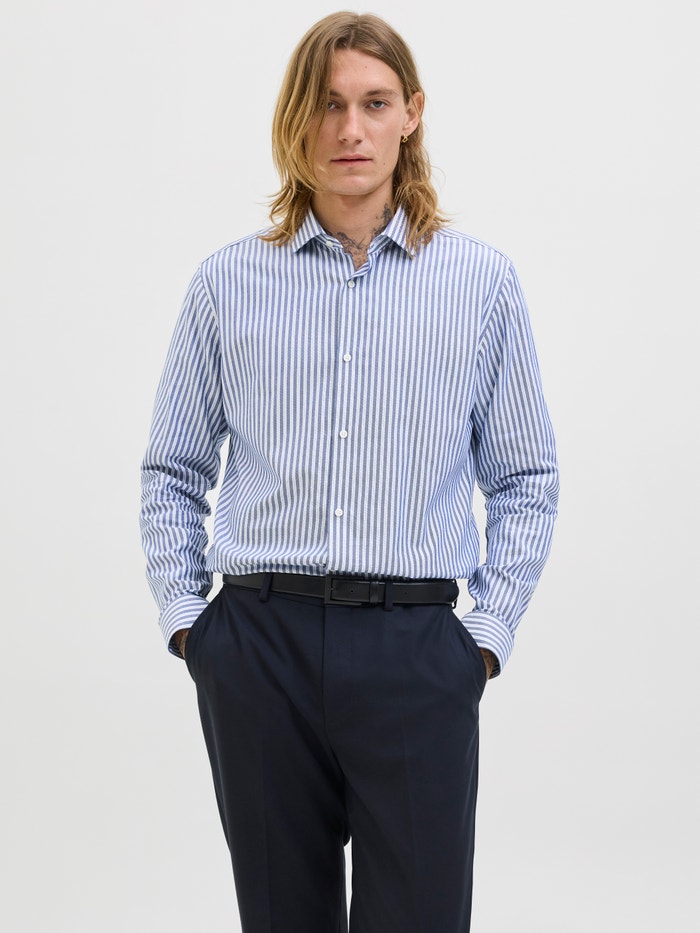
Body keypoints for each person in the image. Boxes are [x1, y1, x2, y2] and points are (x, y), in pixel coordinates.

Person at [140, 11, 558, 932]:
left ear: (412, 113)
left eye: (374, 103)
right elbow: (172, 467)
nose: (350, 129)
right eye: (328, 105)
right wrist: (192, 629)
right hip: (258, 649)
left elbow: (526, 477)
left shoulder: (479, 283)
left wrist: (481, 640)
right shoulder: (227, 284)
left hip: (416, 651)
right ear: (297, 118)